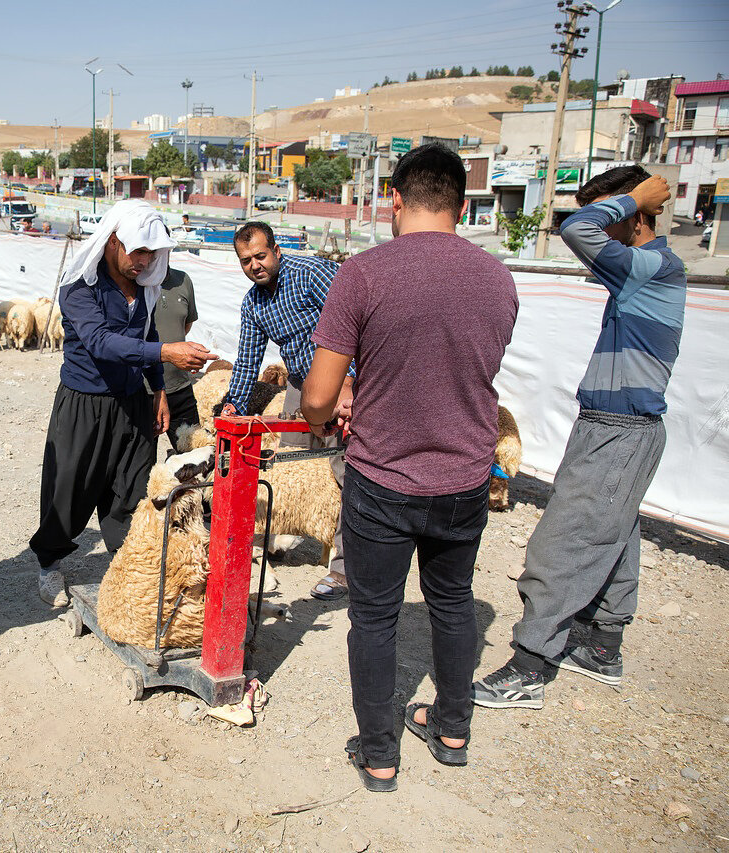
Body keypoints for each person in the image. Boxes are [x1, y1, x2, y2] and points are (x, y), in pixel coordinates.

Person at [301, 143, 518, 792]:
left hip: (383, 479)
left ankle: (378, 756)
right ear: (461, 201)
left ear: (395, 199)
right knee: (453, 605)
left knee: (374, 616)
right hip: (464, 478)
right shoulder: (498, 279)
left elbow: (315, 396)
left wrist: (334, 407)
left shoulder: (364, 274)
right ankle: (452, 730)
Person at [472, 168, 683, 711]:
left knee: (564, 542)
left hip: (619, 430)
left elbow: (577, 231)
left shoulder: (650, 266)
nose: (603, 230)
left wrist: (634, 198)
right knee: (613, 532)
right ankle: (601, 646)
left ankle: (530, 666)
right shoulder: (642, 272)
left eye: (616, 213)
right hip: (621, 428)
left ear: (635, 215)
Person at [29, 199, 218, 607]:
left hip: (134, 402)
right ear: (113, 241)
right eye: (137, 251)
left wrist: (159, 392)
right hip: (86, 403)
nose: (144, 260)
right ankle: (49, 563)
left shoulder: (146, 288)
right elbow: (101, 343)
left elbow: (147, 341)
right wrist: (168, 353)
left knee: (132, 489)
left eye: (151, 253)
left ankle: (128, 564)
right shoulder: (79, 288)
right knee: (70, 486)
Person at [225, 221, 351, 601]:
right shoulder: (253, 303)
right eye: (246, 261)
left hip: (343, 374)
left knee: (347, 469)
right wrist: (233, 403)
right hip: (300, 381)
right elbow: (248, 360)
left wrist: (352, 381)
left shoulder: (310, 274)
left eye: (260, 256)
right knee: (294, 466)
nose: (254, 266)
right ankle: (283, 535)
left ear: (276, 250)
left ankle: (346, 568)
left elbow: (356, 318)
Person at [153, 264, 200, 450]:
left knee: (194, 458)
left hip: (180, 389)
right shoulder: (134, 280)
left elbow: (185, 325)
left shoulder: (183, 280)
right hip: (142, 392)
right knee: (141, 466)